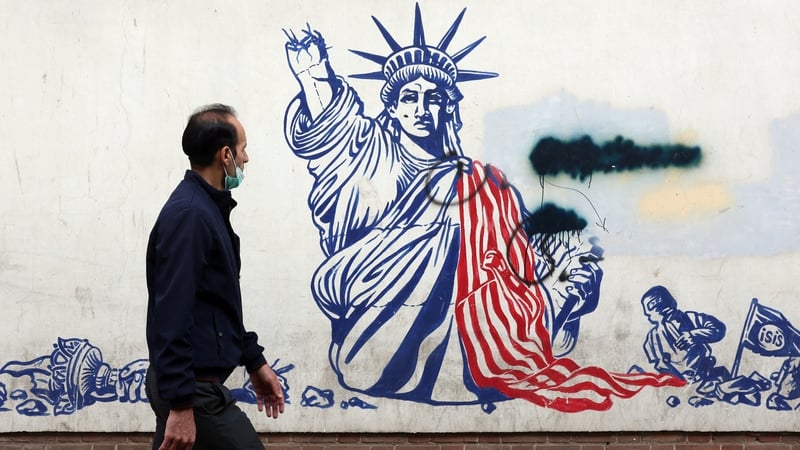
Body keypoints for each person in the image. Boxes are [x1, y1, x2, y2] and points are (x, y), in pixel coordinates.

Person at [283, 6, 683, 412]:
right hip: (372, 304)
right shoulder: (370, 155)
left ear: (449, 108)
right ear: (392, 108)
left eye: (434, 98)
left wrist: (562, 253)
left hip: (477, 318)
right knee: (452, 228)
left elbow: (518, 248)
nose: (421, 108)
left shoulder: (483, 182)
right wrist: (313, 77)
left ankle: (504, 342)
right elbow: (332, 134)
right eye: (409, 97)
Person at [145, 104, 284, 450]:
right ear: (226, 155)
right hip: (194, 391)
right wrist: (180, 404)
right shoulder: (190, 216)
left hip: (191, 386)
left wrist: (254, 360)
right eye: (242, 149)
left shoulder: (207, 209)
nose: (246, 158)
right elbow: (172, 313)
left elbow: (217, 301)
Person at [641, 285, 728, 383]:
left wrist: (694, 335)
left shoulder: (690, 318)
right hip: (679, 384)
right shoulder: (652, 338)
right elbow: (656, 365)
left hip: (705, 375)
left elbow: (718, 328)